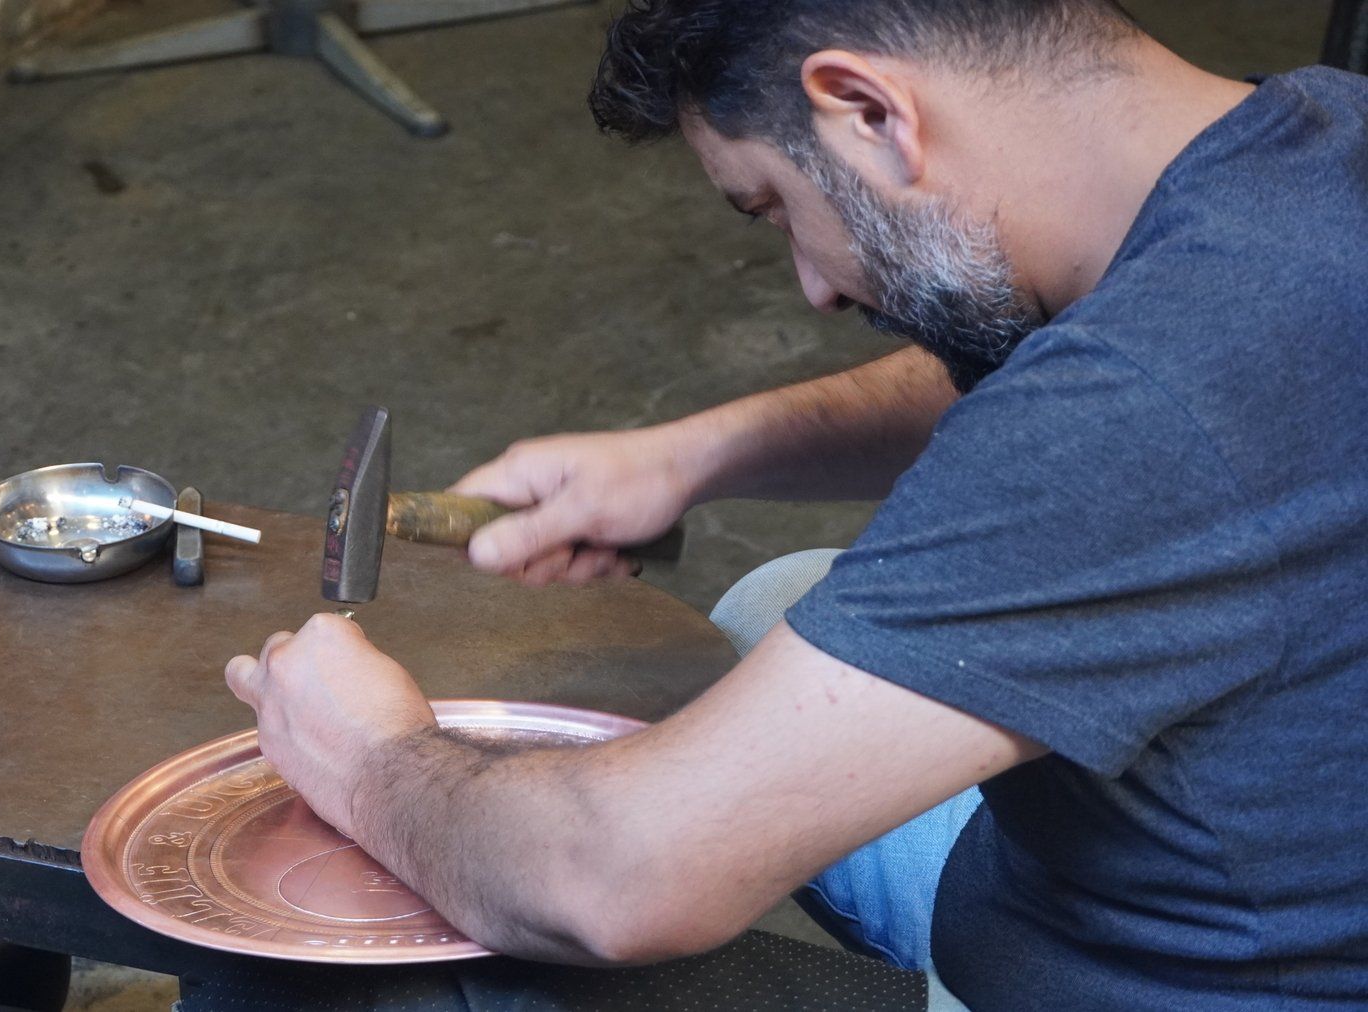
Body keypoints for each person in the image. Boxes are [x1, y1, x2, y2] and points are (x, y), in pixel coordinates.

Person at [220, 0, 1368, 1006]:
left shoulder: (1136, 410)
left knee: (360, 976)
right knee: (779, 598)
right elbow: (1076, 353)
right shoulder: (1315, 135)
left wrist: (371, 759)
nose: (815, 286)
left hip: (1171, 974)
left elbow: (617, 879)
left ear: (868, 109)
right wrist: (697, 454)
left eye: (770, 204)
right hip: (1271, 861)